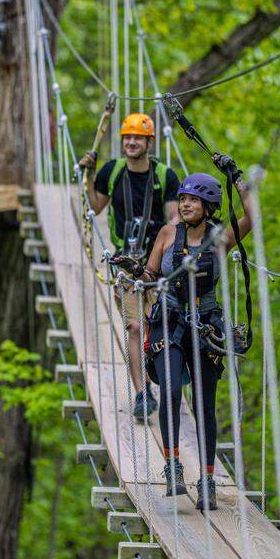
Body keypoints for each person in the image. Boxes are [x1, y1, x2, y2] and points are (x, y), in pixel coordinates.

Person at [113, 155, 253, 512]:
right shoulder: (166, 233)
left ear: (208, 207)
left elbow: (254, 218)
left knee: (205, 402)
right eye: (184, 199)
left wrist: (237, 180)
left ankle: (206, 477)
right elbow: (150, 276)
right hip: (169, 320)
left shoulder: (219, 240)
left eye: (193, 200)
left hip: (206, 325)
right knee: (172, 388)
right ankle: (173, 464)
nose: (186, 204)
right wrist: (134, 270)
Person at [78, 113, 181, 421]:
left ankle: (169, 384)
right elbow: (96, 207)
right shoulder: (112, 171)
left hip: (158, 267)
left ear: (149, 142)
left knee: (159, 327)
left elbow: (174, 220)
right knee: (135, 326)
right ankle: (141, 392)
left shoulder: (165, 176)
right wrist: (88, 176)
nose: (131, 142)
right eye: (127, 137)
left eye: (138, 138)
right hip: (125, 261)